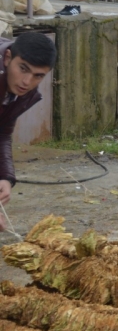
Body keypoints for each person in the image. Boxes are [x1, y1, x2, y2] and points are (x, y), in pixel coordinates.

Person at [0, 32, 57, 230]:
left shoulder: (22, 92)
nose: (26, 81)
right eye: (23, 69)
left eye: (37, 76)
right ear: (8, 58)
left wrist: (5, 177)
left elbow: (3, 132)